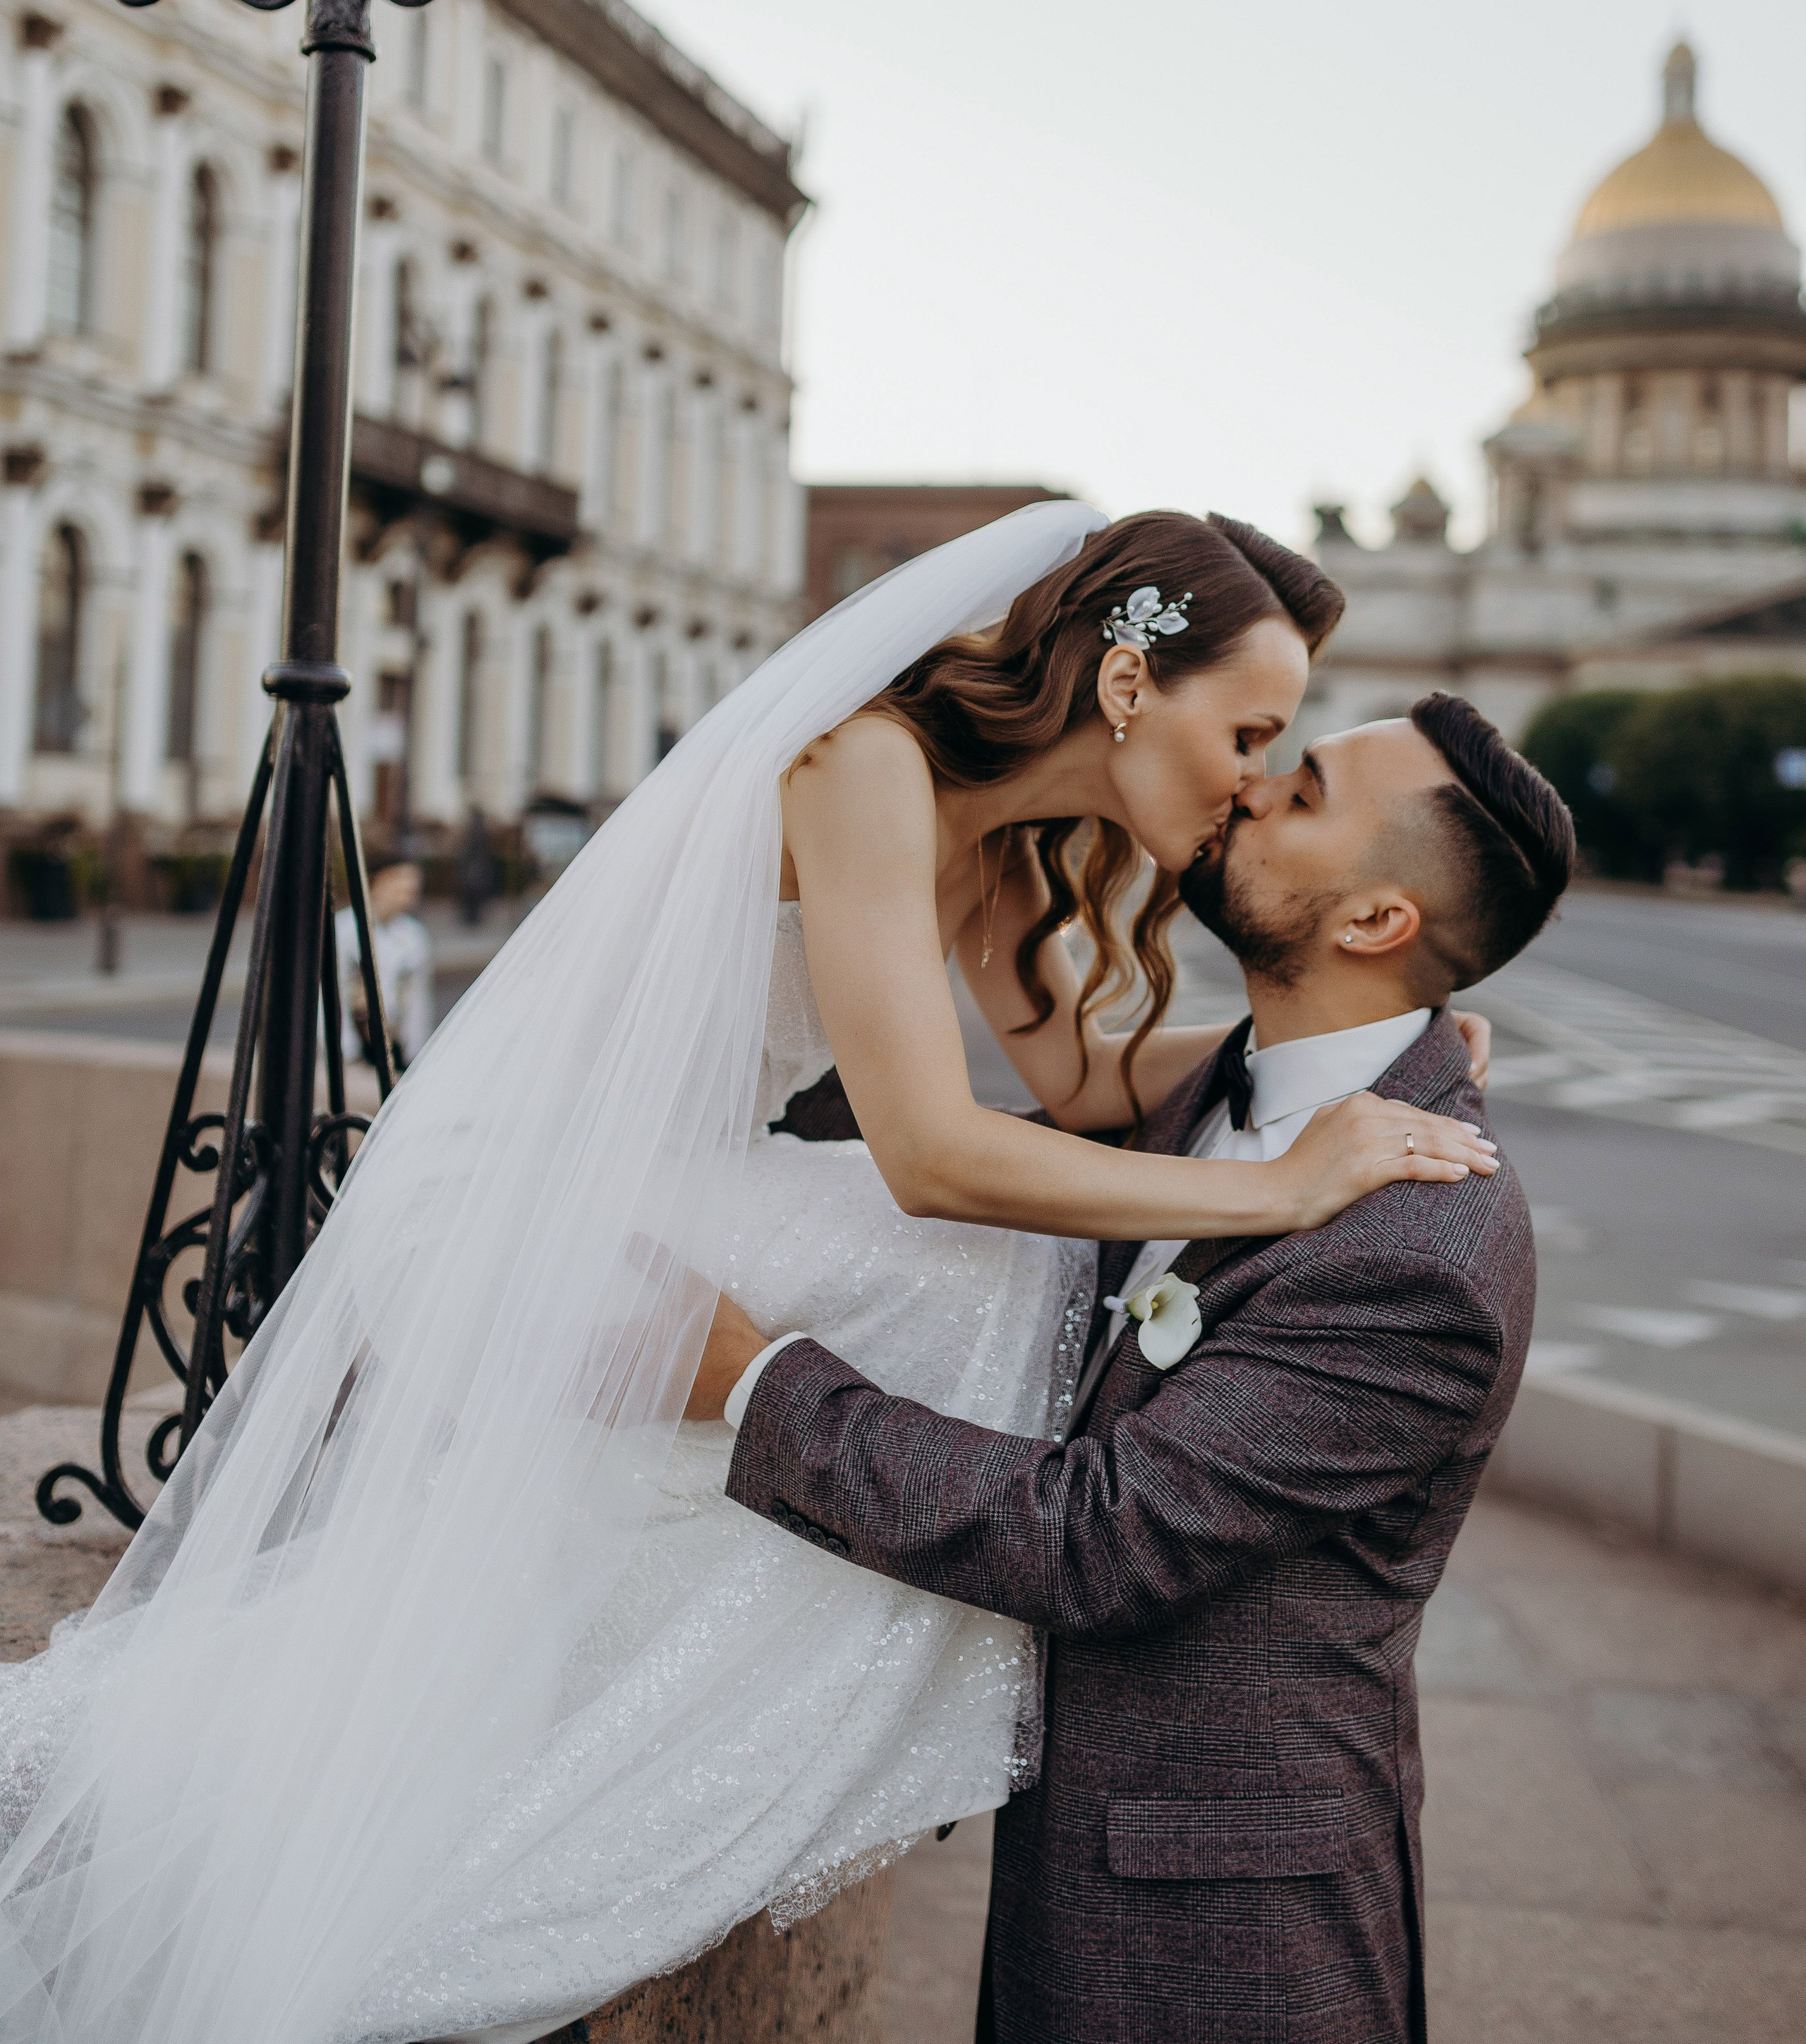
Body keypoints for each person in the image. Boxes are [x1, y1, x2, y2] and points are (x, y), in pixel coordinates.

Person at [0, 506, 1497, 2043]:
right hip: (519, 1212)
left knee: (970, 1297)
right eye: (1250, 729)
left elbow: (1092, 1083)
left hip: (663, 1193)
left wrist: (1365, 1057)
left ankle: (721, 1706)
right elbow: (926, 1153)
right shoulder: (866, 765)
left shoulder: (1016, 844)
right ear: (1128, 685)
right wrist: (1279, 1188)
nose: (1255, 778)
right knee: (995, 1271)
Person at [692, 692, 1574, 2044]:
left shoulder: (1422, 1249)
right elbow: (906, 1145)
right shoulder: (1226, 1092)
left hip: (1225, 1930)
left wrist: (751, 1382)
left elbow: (1098, 1539)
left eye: (1309, 790)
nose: (1259, 785)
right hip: (1091, 1856)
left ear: (1377, 923)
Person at [335, 855, 435, 1069]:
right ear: (375, 882)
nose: (409, 887)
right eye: (398, 878)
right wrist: (347, 1052)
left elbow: (419, 999)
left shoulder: (414, 935)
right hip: (354, 1048)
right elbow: (334, 994)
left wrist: (416, 1051)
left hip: (396, 1046)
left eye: (413, 881)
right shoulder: (343, 931)